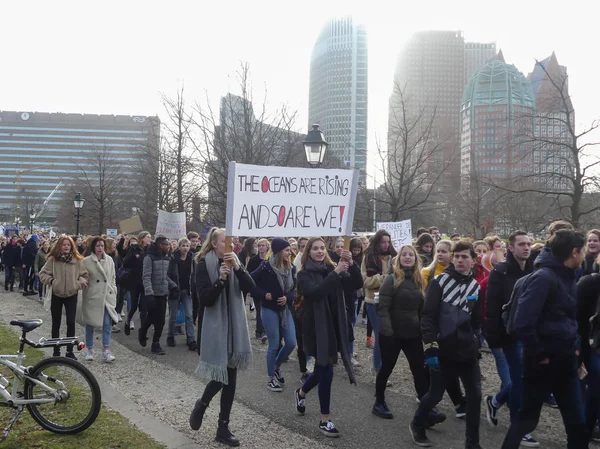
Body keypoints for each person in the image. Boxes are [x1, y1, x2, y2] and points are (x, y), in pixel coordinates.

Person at [502, 230, 588, 449]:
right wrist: (540, 356)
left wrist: (576, 349)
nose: (585, 254)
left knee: (577, 424)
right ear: (575, 252)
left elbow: (567, 318)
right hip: (542, 363)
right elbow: (523, 322)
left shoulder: (569, 276)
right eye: (583, 250)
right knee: (527, 420)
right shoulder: (544, 277)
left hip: (566, 362)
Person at [410, 241, 482, 449]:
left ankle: (472, 443)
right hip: (443, 349)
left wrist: (476, 340)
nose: (460, 260)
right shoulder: (439, 282)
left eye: (465, 257)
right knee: (435, 394)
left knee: (475, 396)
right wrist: (430, 346)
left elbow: (476, 319)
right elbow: (428, 316)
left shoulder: (475, 286)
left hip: (467, 351)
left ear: (473, 260)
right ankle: (417, 425)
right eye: (457, 256)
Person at [189, 228, 255, 446]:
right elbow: (205, 299)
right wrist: (220, 280)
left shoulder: (237, 262)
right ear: (215, 243)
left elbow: (251, 288)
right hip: (214, 328)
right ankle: (203, 404)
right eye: (226, 240)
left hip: (235, 329)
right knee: (221, 376)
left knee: (231, 376)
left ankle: (222, 427)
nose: (231, 243)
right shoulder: (202, 264)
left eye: (232, 240)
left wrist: (238, 268)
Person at [294, 237, 360, 437]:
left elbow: (356, 283)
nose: (320, 251)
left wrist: (352, 264)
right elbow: (315, 292)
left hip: (335, 326)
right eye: (315, 249)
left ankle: (302, 393)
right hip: (316, 329)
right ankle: (325, 419)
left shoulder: (334, 268)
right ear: (308, 252)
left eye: (322, 248)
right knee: (326, 371)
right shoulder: (304, 274)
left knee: (324, 369)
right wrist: (337, 272)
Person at [484, 231, 539, 447]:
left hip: (530, 332)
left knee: (525, 377)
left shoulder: (536, 269)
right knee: (520, 379)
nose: (526, 248)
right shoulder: (501, 271)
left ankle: (495, 401)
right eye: (522, 244)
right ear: (511, 247)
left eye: (529, 244)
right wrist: (493, 336)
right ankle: (519, 426)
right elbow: (492, 305)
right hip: (509, 333)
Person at [374, 245, 439, 422]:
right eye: (404, 255)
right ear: (399, 258)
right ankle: (379, 402)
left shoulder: (420, 281)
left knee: (419, 371)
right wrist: (387, 331)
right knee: (387, 368)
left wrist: (424, 331)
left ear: (415, 259)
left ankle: (427, 409)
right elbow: (383, 308)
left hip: (413, 335)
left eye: (411, 255)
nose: (408, 257)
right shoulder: (391, 279)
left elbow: (422, 309)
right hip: (392, 335)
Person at [250, 238, 297, 392]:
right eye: (287, 250)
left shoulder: (292, 268)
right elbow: (250, 283)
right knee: (274, 345)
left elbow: (294, 290)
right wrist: (264, 294)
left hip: (285, 310)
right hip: (269, 309)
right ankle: (270, 378)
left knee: (291, 342)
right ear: (278, 251)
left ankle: (276, 366)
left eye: (290, 250)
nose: (289, 253)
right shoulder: (265, 266)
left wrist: (288, 297)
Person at [39, 235, 88, 359]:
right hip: (57, 294)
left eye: (68, 245)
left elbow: (85, 276)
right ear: (59, 246)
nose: (66, 247)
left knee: (71, 322)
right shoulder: (53, 260)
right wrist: (52, 281)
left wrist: (77, 284)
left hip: (72, 294)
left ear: (72, 246)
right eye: (64, 244)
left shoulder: (78, 260)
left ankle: (69, 351)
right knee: (56, 323)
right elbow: (42, 274)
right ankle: (56, 350)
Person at [362, 229, 397, 379]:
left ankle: (377, 361)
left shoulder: (394, 258)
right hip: (373, 301)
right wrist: (385, 279)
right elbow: (366, 281)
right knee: (380, 335)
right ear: (377, 242)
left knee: (388, 336)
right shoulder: (369, 258)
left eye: (388, 242)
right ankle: (378, 369)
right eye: (383, 242)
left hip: (391, 301)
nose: (386, 245)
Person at [139, 234, 178, 355]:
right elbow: (146, 276)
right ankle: (143, 331)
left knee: (161, 321)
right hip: (152, 293)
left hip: (163, 293)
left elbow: (164, 276)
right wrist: (149, 293)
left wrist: (173, 285)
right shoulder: (149, 258)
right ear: (161, 245)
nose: (169, 246)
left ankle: (155, 344)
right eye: (167, 244)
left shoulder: (167, 258)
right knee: (151, 317)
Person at [82, 236, 118, 363]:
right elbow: (82, 275)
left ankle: (106, 349)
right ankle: (90, 349)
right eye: (97, 246)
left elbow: (113, 276)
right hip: (93, 295)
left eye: (102, 246)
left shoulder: (109, 260)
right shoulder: (86, 261)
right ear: (93, 247)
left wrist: (113, 289)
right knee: (90, 324)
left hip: (107, 296)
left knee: (107, 323)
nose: (100, 248)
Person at [576, 269, 600, 441]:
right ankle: (583, 435)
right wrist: (579, 352)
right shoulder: (590, 283)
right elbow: (575, 318)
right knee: (594, 393)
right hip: (595, 348)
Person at [167, 237, 198, 351]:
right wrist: (173, 285)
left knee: (189, 315)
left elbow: (195, 274)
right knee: (173, 315)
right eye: (183, 246)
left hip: (187, 290)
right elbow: (167, 275)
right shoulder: (173, 259)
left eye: (187, 246)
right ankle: (170, 336)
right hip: (175, 290)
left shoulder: (192, 258)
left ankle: (191, 338)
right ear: (179, 247)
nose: (185, 248)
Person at [123, 231, 152, 334]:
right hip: (134, 281)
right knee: (134, 306)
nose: (150, 239)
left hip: (145, 281)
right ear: (142, 238)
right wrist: (134, 257)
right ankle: (127, 321)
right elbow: (125, 263)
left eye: (150, 237)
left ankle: (142, 330)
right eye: (148, 237)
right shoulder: (134, 249)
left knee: (143, 307)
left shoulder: (150, 250)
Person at [247, 238, 270, 343]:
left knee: (265, 311)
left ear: (267, 247)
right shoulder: (253, 260)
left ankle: (259, 331)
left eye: (263, 245)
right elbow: (249, 274)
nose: (261, 247)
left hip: (268, 289)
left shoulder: (270, 259)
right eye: (259, 245)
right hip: (256, 288)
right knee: (260, 310)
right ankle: (263, 332)